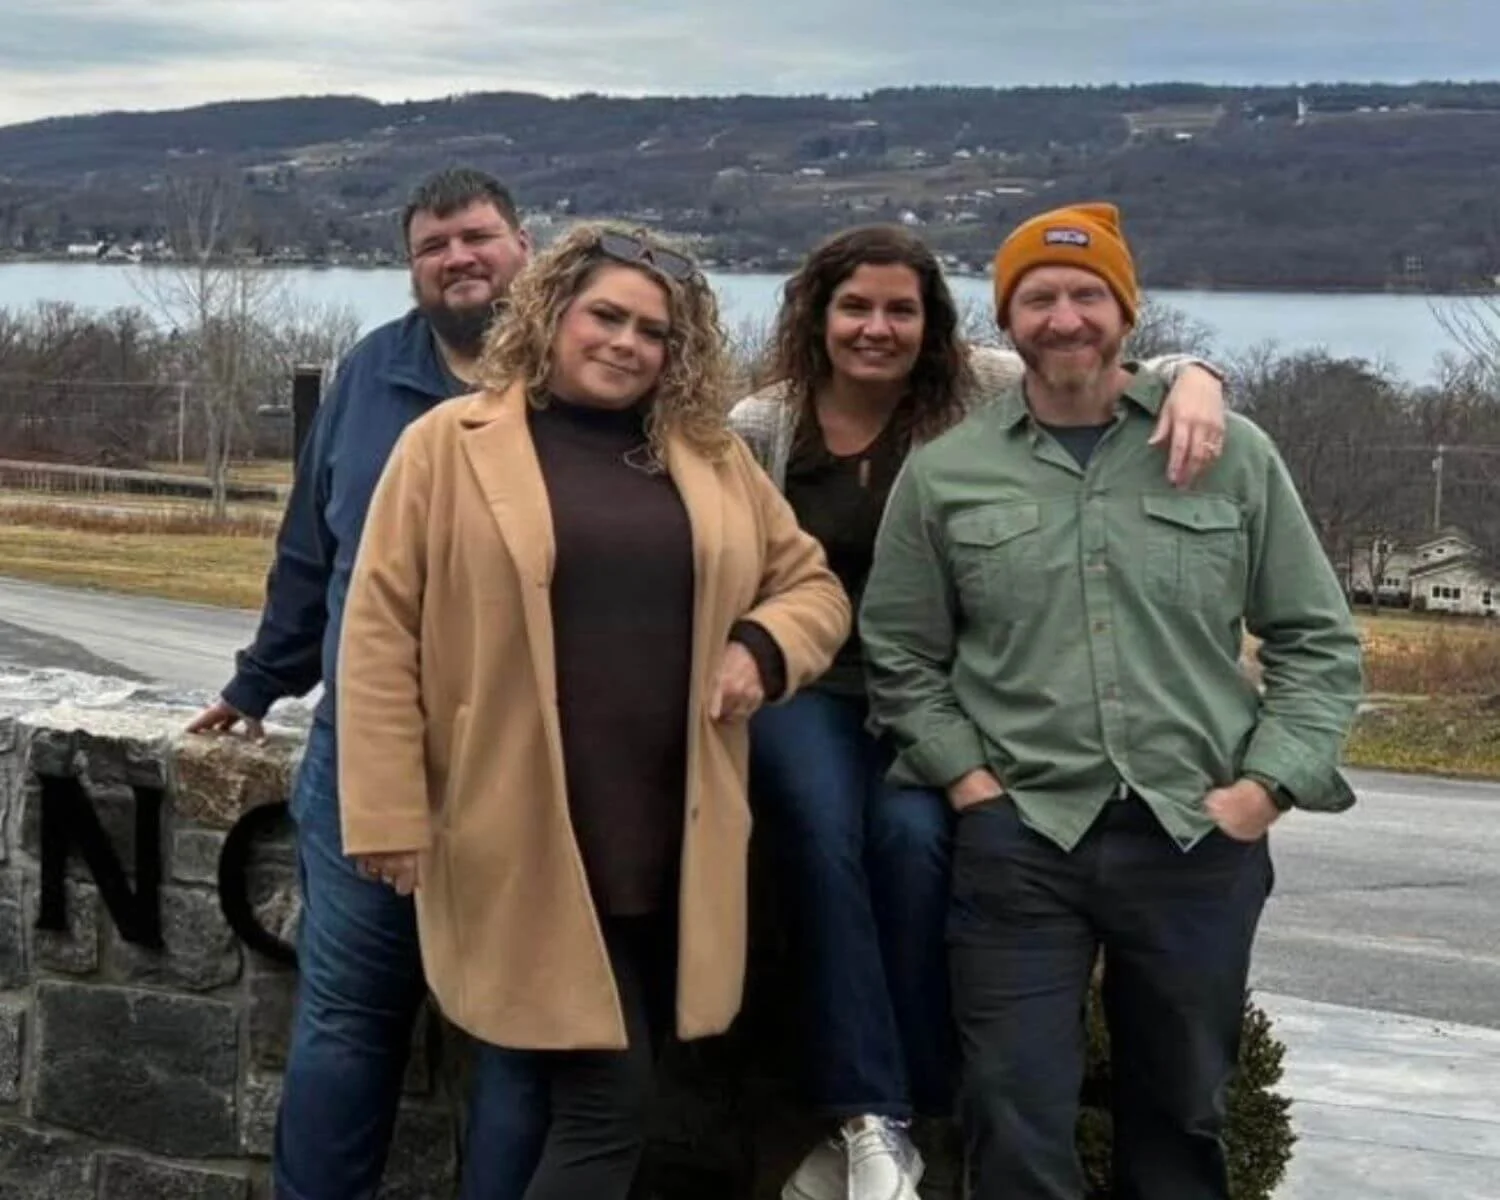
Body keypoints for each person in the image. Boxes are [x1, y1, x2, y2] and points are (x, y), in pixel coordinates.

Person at [336, 223, 851, 1200]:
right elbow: (379, 636)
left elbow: (813, 588)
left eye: (653, 332)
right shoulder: (446, 446)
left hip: (667, 837)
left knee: (564, 1097)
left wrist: (761, 646)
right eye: (605, 316)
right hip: (524, 831)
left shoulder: (708, 456)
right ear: (552, 314)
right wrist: (388, 811)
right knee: (608, 1103)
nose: (626, 343)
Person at [861, 203, 1363, 1200]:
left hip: (1195, 837)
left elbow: (1318, 638)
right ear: (1007, 321)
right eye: (1037, 298)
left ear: (1127, 312)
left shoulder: (1233, 454)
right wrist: (969, 785)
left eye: (1087, 294)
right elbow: (900, 653)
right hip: (1022, 844)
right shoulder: (949, 472)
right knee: (1012, 1109)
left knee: (1182, 1113)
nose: (1064, 318)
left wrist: (1267, 787)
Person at [729, 223, 1230, 1200]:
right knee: (822, 833)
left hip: (934, 690)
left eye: (901, 310)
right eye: (854, 307)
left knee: (916, 841)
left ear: (934, 323)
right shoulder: (763, 425)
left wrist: (1201, 376)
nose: (876, 328)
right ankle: (868, 1112)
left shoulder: (979, 389)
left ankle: (919, 1102)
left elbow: (1111, 368)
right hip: (810, 683)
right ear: (817, 315)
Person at [184, 167, 533, 1199]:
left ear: (523, 245)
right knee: (346, 1021)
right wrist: (259, 681)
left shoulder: (576, 370)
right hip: (367, 751)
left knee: (518, 1033)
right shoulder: (370, 374)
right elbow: (311, 549)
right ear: (412, 266)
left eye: (477, 236)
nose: (458, 259)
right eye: (433, 246)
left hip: (526, 758)